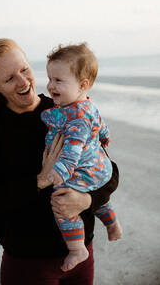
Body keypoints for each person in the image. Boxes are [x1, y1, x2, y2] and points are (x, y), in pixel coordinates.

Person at [0, 38, 119, 285]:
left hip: (82, 254)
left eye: (24, 69)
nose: (23, 81)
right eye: (9, 79)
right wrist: (39, 180)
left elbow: (108, 171)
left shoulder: (68, 109)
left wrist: (87, 199)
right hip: (28, 263)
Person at [38, 43, 122, 272]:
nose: (50, 85)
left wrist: (59, 172)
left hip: (81, 170)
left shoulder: (76, 119)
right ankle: (112, 224)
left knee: (61, 201)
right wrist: (104, 136)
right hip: (100, 168)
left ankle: (77, 249)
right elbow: (100, 122)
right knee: (96, 195)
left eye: (58, 80)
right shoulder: (87, 105)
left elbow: (72, 150)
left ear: (83, 85)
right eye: (49, 78)